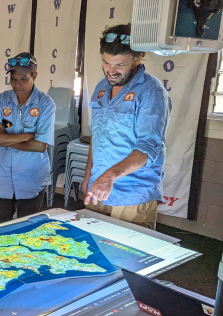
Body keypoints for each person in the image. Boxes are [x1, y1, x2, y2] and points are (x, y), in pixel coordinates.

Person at [82, 24, 171, 230]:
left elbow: (147, 149)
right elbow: (98, 136)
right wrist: (89, 175)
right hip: (99, 188)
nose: (111, 71)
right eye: (106, 63)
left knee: (127, 258)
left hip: (133, 193)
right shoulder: (102, 88)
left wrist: (109, 177)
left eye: (120, 65)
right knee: (92, 252)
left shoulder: (151, 92)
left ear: (138, 58)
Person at [0, 52, 55, 223]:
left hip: (31, 177)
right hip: (1, 176)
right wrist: (26, 136)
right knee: (0, 228)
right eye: (13, 79)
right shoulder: (1, 101)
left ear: (34, 76)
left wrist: (6, 137)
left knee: (27, 228)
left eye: (23, 79)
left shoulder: (46, 104)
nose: (17, 84)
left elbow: (40, 146)